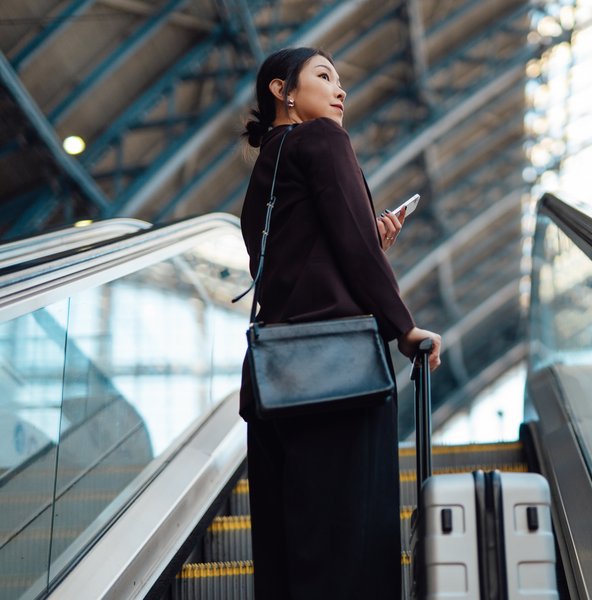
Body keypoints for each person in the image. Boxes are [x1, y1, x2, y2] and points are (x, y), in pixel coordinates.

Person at [238, 47, 442, 599]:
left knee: (291, 543)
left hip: (276, 380)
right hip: (338, 372)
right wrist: (403, 326)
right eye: (324, 76)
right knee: (350, 539)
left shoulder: (265, 169)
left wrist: (365, 237)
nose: (340, 90)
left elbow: (286, 265)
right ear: (282, 90)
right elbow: (353, 248)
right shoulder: (323, 140)